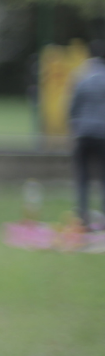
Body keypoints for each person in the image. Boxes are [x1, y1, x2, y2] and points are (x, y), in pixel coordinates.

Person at [68, 39, 105, 229]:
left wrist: (75, 127)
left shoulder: (81, 75)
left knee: (83, 178)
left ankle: (82, 217)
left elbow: (72, 106)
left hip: (83, 133)